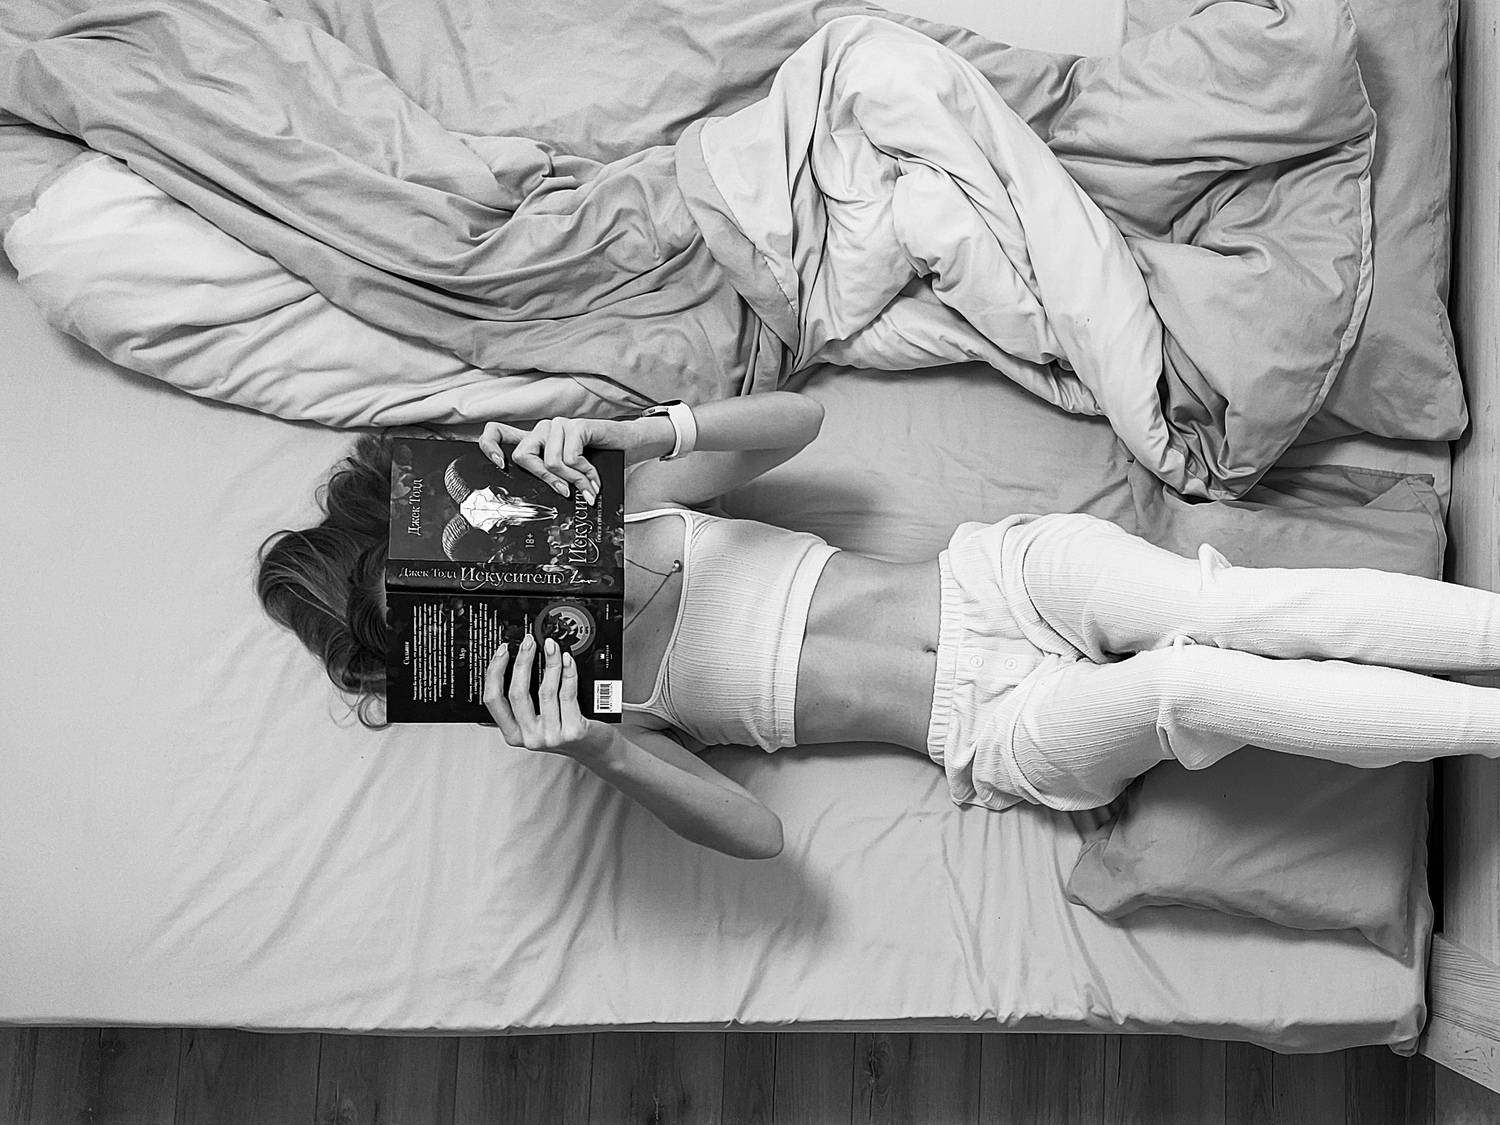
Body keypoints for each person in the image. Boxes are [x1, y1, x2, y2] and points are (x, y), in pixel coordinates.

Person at [258, 394, 1500, 860]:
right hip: (995, 726)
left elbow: (801, 426)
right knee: (1186, 688)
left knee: (1219, 609)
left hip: (995, 583)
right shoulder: (598, 715)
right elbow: (756, 838)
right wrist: (597, 751)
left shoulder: (627, 507)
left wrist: (646, 435)